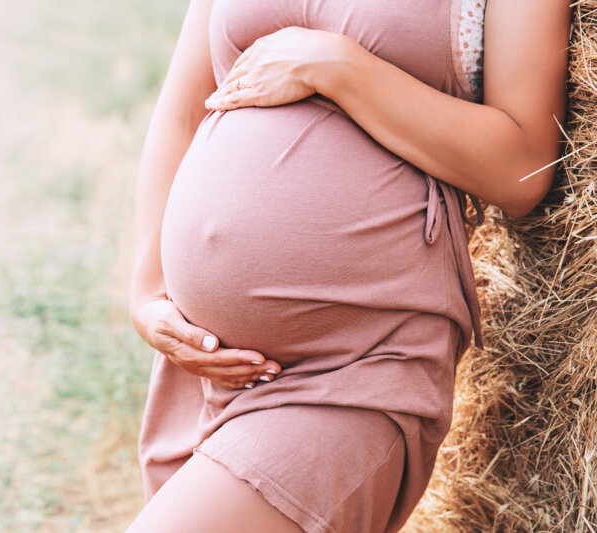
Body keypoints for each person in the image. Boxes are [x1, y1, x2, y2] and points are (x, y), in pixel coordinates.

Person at [126, 0, 572, 531]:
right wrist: (148, 293)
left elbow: (523, 167)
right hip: (202, 370)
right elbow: (182, 111)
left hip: (353, 366)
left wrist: (339, 67)